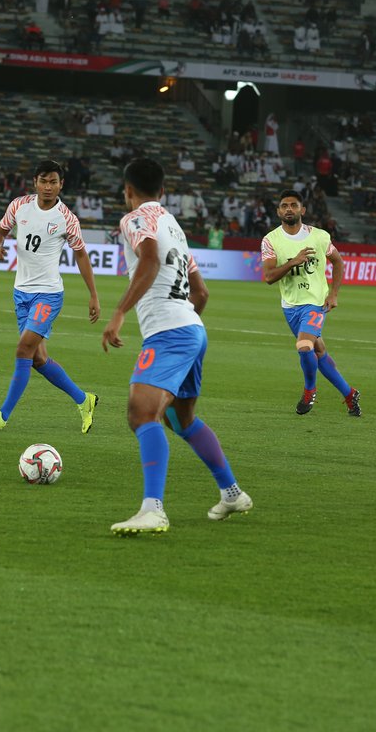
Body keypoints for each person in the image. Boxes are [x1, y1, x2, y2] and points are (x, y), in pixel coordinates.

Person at [103, 158, 252, 535]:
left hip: (170, 332)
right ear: (163, 191)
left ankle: (153, 510)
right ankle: (231, 493)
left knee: (141, 415)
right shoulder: (174, 226)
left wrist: (119, 312)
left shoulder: (134, 218)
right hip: (191, 328)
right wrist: (185, 322)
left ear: (128, 191)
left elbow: (150, 260)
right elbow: (202, 292)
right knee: (179, 418)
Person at [0, 160, 100, 433]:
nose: (48, 187)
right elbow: (0, 232)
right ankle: (84, 400)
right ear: (35, 182)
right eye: (43, 181)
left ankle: (2, 415)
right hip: (21, 292)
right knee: (38, 359)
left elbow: (81, 255)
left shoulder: (67, 218)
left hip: (48, 294)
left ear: (61, 184)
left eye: (53, 182)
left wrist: (93, 295)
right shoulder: (19, 206)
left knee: (23, 349)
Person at [261, 189, 361, 416]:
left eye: (293, 205)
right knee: (318, 350)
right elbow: (269, 277)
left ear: (302, 210)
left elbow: (338, 262)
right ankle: (350, 394)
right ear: (278, 211)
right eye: (284, 205)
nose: (289, 209)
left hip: (315, 303)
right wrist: (293, 262)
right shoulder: (270, 240)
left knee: (304, 345)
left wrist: (333, 294)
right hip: (290, 306)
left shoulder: (319, 236)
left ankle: (309, 390)